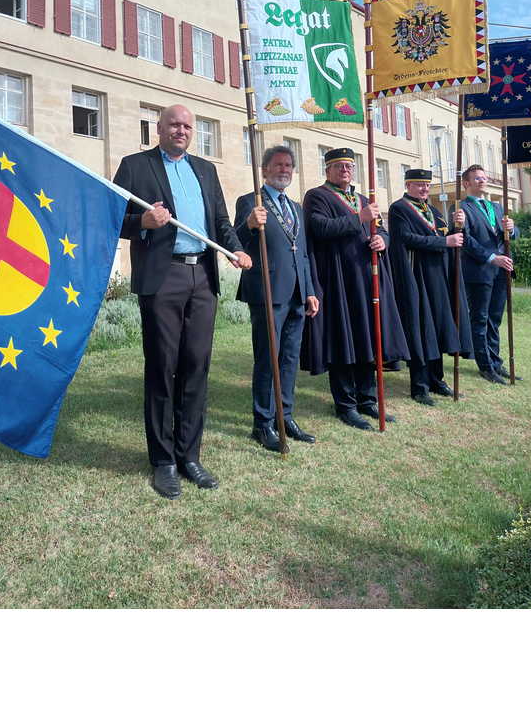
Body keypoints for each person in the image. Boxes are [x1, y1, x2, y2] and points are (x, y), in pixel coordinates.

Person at [113, 105, 252, 499]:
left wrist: (235, 249)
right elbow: (113, 216)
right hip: (163, 276)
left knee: (196, 366)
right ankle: (163, 461)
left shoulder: (205, 170)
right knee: (162, 365)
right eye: (174, 124)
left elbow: (221, 222)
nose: (181, 130)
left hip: (202, 277)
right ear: (158, 128)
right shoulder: (135, 166)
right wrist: (143, 222)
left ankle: (189, 455)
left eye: (188, 125)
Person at [301, 148, 409, 431]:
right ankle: (346, 404)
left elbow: (382, 229)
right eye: (338, 166)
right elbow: (320, 227)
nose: (345, 171)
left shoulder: (363, 199)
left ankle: (367, 398)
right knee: (344, 340)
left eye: (349, 166)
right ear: (327, 170)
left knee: (368, 339)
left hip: (368, 280)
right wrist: (359, 218)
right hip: (338, 280)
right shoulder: (318, 196)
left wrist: (382, 241)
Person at [234, 146, 320, 452]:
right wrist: (248, 225)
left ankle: (285, 416)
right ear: (264, 170)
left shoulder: (296, 208)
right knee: (268, 359)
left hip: (297, 292)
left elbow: (304, 253)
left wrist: (310, 290)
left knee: (289, 359)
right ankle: (263, 423)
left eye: (288, 165)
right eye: (277, 165)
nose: (284, 169)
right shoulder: (250, 201)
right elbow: (234, 242)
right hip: (267, 291)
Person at [388, 169, 473, 406]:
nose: (425, 189)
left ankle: (437, 380)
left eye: (427, 185)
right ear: (408, 184)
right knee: (421, 328)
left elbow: (451, 237)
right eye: (419, 184)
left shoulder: (434, 211)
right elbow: (405, 238)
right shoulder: (399, 208)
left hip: (440, 277)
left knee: (438, 328)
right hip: (417, 275)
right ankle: (420, 386)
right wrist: (444, 241)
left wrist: (459, 227)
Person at [457, 164, 520, 385]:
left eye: (484, 178)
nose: (482, 181)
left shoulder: (497, 206)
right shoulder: (461, 207)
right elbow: (466, 240)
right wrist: (493, 258)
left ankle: (496, 362)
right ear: (466, 183)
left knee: (495, 319)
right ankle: (485, 367)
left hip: (501, 271)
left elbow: (511, 234)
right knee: (480, 319)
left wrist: (512, 229)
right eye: (477, 178)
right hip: (479, 271)